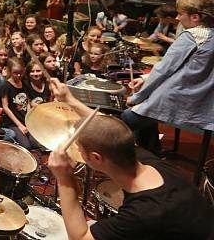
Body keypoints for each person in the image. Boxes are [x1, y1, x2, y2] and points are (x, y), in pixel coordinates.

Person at [47, 78, 214, 240]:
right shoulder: (146, 160)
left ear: (96, 158)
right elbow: (107, 128)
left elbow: (80, 238)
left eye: (80, 149)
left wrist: (64, 179)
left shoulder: (144, 212)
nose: (78, 151)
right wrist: (70, 100)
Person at [124, 0, 214, 152]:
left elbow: (164, 69)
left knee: (125, 118)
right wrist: (145, 78)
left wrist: (137, 97)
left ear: (195, 17)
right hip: (202, 104)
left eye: (180, 14)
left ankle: (138, 159)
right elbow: (189, 67)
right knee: (146, 112)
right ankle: (151, 150)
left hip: (177, 98)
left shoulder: (193, 36)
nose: (177, 18)